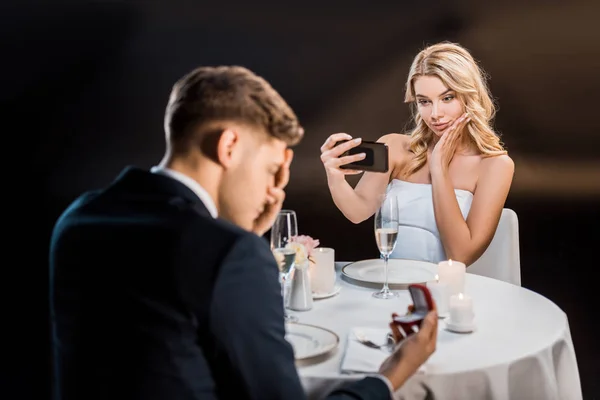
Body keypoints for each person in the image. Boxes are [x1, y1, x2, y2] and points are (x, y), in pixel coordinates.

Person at [50, 65, 438, 400]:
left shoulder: (79, 219)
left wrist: (239, 235)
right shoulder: (231, 253)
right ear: (229, 146)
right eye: (272, 169)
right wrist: (390, 376)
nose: (274, 192)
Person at [320, 42, 515, 266]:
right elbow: (357, 212)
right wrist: (334, 175)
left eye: (447, 98)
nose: (435, 114)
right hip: (391, 286)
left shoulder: (495, 165)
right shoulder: (394, 147)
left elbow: (460, 255)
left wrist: (439, 169)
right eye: (424, 101)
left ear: (469, 97)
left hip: (447, 292)